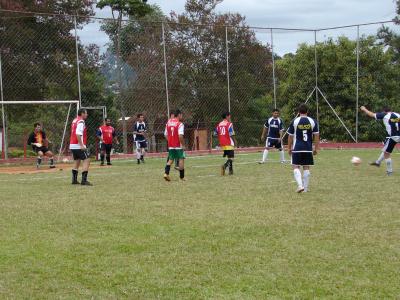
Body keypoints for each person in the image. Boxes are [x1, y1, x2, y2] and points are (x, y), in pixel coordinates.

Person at [287, 104, 320, 193]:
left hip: (297, 148)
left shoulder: (295, 121)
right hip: (308, 148)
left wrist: (289, 148)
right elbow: (316, 135)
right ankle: (305, 188)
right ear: (307, 111)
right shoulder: (313, 121)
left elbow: (290, 136)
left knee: (295, 166)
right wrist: (316, 148)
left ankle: (300, 185)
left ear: (298, 112)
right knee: (306, 167)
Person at [360, 106, 400, 175]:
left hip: (393, 137)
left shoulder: (385, 114)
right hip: (397, 135)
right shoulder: (398, 115)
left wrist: (364, 109)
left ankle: (389, 172)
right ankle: (378, 162)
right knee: (385, 149)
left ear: (384, 111)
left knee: (386, 153)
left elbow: (371, 114)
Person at [69, 108, 91, 186]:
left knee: (77, 160)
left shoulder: (75, 120)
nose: (87, 114)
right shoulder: (81, 121)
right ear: (82, 113)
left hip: (72, 144)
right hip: (78, 145)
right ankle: (84, 180)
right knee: (87, 159)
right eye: (86, 113)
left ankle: (74, 180)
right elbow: (78, 133)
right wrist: (81, 145)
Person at [163, 109, 185, 181]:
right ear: (179, 115)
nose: (182, 116)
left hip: (171, 145)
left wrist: (170, 141)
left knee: (170, 160)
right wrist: (183, 144)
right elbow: (180, 136)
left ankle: (166, 174)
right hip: (178, 145)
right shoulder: (180, 124)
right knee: (181, 159)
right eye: (181, 115)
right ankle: (182, 177)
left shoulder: (168, 123)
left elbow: (165, 134)